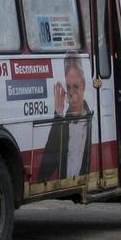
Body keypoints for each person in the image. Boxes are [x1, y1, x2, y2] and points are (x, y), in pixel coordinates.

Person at [36, 54, 93, 182]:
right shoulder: (63, 122)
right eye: (68, 87)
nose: (72, 94)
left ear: (83, 85)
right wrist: (58, 114)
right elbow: (46, 167)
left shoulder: (92, 120)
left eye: (76, 87)